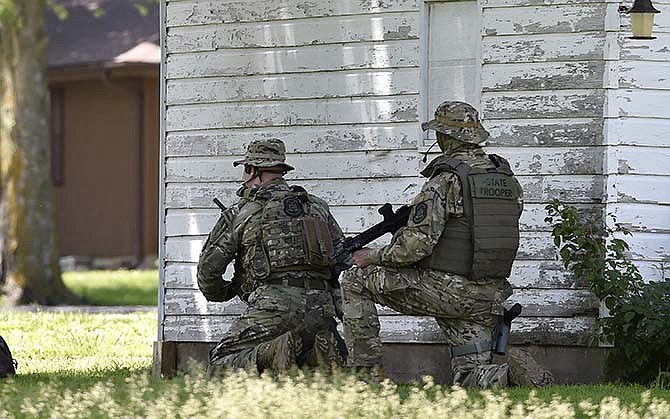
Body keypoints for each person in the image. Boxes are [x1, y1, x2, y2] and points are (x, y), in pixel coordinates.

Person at [341, 101, 523, 388]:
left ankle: (363, 377)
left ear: (445, 137)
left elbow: (414, 248)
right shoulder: (506, 180)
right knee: (472, 375)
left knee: (354, 279)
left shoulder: (445, 181)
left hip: (447, 291)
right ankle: (511, 377)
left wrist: (371, 256)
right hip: (489, 295)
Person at [197, 139, 346, 376]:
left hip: (273, 307)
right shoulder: (317, 206)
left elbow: (208, 271)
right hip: (322, 309)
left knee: (219, 364)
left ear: (253, 170)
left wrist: (224, 292)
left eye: (245, 170)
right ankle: (314, 352)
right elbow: (341, 256)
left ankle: (271, 352)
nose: (243, 178)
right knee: (302, 357)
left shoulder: (244, 211)